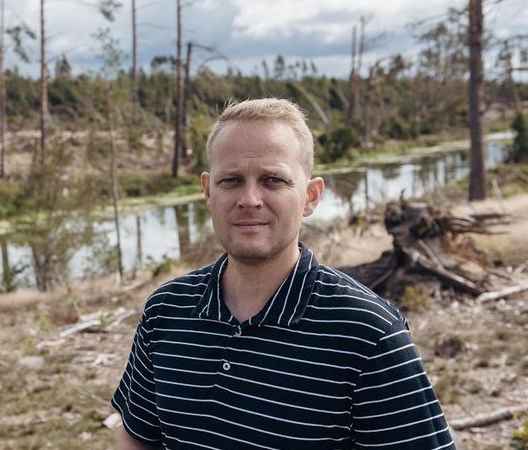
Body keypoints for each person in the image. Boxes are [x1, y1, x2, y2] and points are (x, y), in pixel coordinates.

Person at [111, 98, 454, 449]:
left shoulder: (369, 333)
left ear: (310, 196)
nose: (250, 199)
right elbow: (139, 437)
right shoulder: (167, 311)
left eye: (273, 180)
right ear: (208, 191)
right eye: (231, 180)